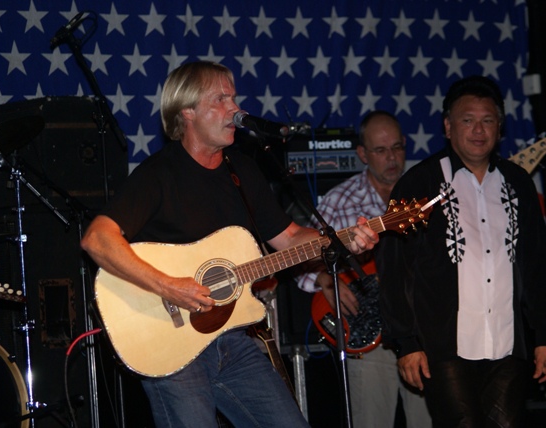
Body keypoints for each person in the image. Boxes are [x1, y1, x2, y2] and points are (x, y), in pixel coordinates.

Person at [80, 61, 379, 427]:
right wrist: (169, 286)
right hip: (170, 344)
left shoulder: (243, 171)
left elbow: (290, 238)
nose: (235, 108)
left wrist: (344, 240)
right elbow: (97, 238)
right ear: (187, 111)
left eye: (233, 98)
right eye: (220, 99)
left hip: (232, 341)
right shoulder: (159, 174)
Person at [377, 75, 546, 427]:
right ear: (448, 126)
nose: (478, 130)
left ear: (500, 127)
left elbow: (536, 267)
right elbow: (394, 270)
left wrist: (543, 336)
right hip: (444, 347)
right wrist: (406, 342)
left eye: (487, 120)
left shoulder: (518, 183)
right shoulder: (419, 184)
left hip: (508, 343)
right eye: (468, 120)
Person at [297, 110, 432, 428]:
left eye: (397, 147)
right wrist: (325, 280)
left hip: (421, 328)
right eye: (380, 150)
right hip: (370, 333)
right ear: (362, 153)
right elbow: (296, 256)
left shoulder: (422, 195)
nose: (392, 158)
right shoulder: (339, 201)